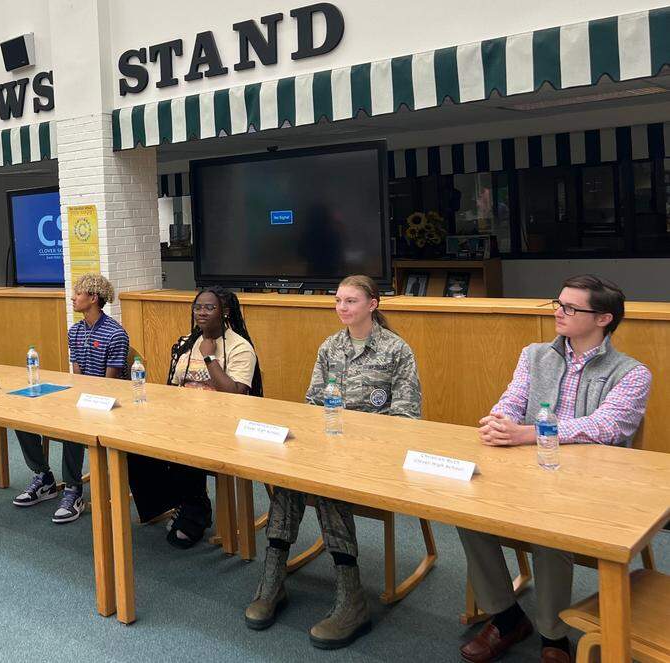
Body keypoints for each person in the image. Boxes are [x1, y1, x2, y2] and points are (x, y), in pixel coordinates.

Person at [457, 275, 651, 663]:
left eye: (571, 308)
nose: (559, 313)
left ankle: (554, 634)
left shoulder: (631, 373)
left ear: (603, 319)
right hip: (527, 473)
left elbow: (607, 427)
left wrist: (529, 433)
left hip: (590, 485)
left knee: (550, 533)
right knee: (466, 511)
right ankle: (507, 616)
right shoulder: (534, 355)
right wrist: (499, 421)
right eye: (558, 304)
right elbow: (512, 400)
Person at [245, 274, 420, 649]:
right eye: (338, 300)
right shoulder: (330, 347)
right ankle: (272, 578)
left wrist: (356, 443)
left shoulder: (396, 350)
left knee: (325, 484)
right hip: (329, 447)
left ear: (372, 304)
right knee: (290, 475)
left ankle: (350, 594)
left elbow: (406, 420)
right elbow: (312, 404)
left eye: (351, 301)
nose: (342, 307)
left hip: (374, 454)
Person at [126, 287, 259, 548]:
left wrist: (209, 357)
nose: (201, 312)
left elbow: (235, 395)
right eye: (198, 307)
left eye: (210, 307)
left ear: (225, 312)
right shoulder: (188, 343)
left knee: (184, 444)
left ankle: (196, 510)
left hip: (223, 423)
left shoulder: (240, 347)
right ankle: (178, 502)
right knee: (134, 442)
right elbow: (175, 386)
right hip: (184, 417)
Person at [11, 274, 129, 524]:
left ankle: (73, 489)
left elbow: (110, 384)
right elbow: (78, 378)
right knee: (19, 415)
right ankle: (44, 477)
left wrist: (79, 403)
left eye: (78, 293)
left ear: (93, 298)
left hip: (110, 403)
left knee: (72, 426)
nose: (73, 297)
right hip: (83, 396)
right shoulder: (74, 331)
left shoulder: (115, 334)